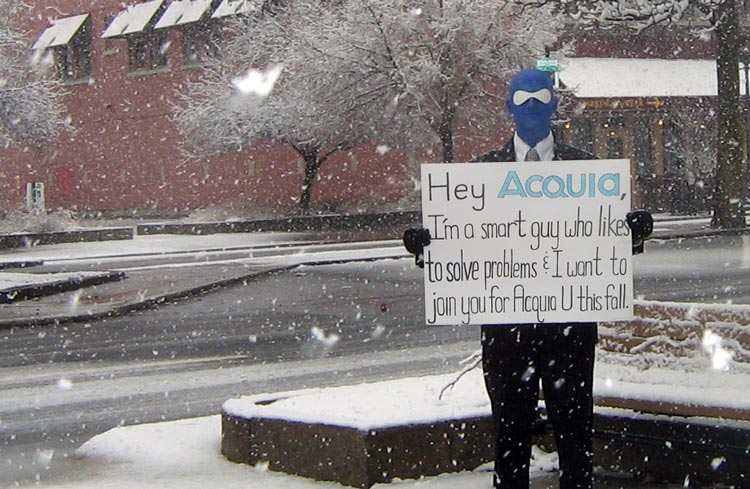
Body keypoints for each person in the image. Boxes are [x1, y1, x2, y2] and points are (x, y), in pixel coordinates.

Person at [403, 68, 653, 489]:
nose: (531, 106)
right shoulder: (480, 174)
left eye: (540, 97)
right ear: (508, 108)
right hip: (505, 331)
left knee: (575, 431)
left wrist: (633, 232)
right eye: (522, 99)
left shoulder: (589, 172)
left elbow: (601, 247)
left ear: (555, 104)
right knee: (510, 431)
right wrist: (427, 245)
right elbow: (467, 249)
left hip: (569, 327)